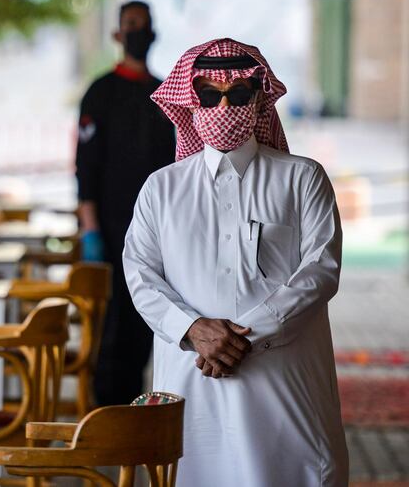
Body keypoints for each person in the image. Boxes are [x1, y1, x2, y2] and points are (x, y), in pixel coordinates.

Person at [123, 38, 347, 486]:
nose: (224, 105)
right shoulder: (161, 189)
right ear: (190, 100)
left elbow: (320, 271)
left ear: (261, 97)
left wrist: (239, 340)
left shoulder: (303, 178)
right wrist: (191, 329)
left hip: (283, 384)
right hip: (192, 382)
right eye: (209, 94)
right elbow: (140, 274)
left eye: (239, 93)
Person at [75, 0, 175, 406]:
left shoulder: (165, 95)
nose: (138, 32)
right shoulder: (100, 93)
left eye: (144, 25)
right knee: (111, 326)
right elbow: (85, 167)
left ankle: (139, 410)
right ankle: (105, 418)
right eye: (131, 25)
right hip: (112, 230)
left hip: (159, 230)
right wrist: (91, 230)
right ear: (118, 34)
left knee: (147, 323)